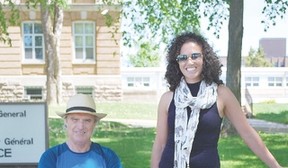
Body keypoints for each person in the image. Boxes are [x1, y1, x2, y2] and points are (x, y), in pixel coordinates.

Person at [151, 32, 282, 168]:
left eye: (195, 56)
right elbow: (160, 144)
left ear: (205, 58)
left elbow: (247, 132)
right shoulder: (167, 98)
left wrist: (275, 166)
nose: (189, 62)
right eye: (183, 57)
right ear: (176, 62)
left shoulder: (221, 94)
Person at [38, 94, 123, 168]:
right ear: (66, 121)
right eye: (75, 120)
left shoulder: (108, 156)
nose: (81, 126)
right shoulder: (51, 157)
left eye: (87, 120)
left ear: (94, 124)